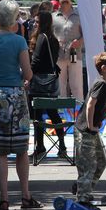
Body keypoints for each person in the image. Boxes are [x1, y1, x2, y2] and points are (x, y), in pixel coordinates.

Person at [0, 0, 41, 210]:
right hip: (14, 94)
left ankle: (4, 198)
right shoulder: (18, 41)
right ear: (14, 20)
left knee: (0, 150)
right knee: (21, 149)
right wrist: (23, 77)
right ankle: (25, 195)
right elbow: (28, 72)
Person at [74, 53, 106, 204]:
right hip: (86, 129)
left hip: (94, 128)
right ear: (104, 68)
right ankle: (83, 198)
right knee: (89, 164)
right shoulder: (100, 83)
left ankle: (84, 188)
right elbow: (90, 105)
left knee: (100, 160)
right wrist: (90, 125)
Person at [29, 11, 66, 161]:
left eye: (37, 22)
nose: (34, 24)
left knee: (37, 115)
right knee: (53, 113)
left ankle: (40, 147)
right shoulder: (53, 39)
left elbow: (36, 61)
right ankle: (62, 146)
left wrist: (28, 75)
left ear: (42, 23)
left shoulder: (41, 38)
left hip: (39, 81)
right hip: (51, 81)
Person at [52, 0, 84, 100]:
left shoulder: (80, 16)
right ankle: (61, 113)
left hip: (75, 54)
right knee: (60, 86)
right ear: (58, 0)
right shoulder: (53, 17)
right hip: (58, 56)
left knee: (76, 86)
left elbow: (87, 34)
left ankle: (80, 113)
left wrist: (80, 41)